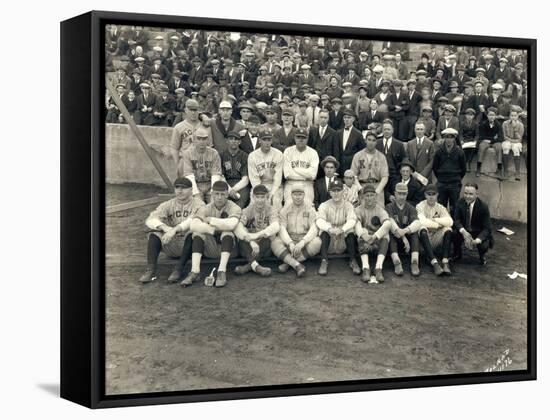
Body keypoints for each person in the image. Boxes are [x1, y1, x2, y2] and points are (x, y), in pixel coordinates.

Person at [139, 178, 205, 284]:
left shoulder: (199, 204)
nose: (179, 191)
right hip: (172, 243)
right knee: (154, 233)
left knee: (194, 233)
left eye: (183, 188)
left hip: (191, 246)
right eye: (177, 188)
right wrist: (165, 228)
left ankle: (178, 269)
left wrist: (174, 230)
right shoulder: (168, 204)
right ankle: (150, 269)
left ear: (191, 190)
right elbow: (150, 220)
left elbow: (192, 221)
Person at [183, 181, 241, 288]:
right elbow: (193, 225)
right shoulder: (206, 207)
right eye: (217, 194)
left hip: (231, 250)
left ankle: (221, 271)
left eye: (222, 194)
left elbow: (231, 224)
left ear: (227, 195)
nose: (219, 197)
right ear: (212, 194)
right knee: (198, 232)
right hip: (211, 248)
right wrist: (213, 230)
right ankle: (195, 271)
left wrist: (210, 220)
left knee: (227, 232)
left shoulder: (234, 207)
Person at [271, 185, 322, 277]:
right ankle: (297, 265)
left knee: (318, 242)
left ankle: (289, 263)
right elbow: (282, 228)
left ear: (304, 195)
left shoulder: (310, 208)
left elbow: (314, 228)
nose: (298, 197)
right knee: (274, 242)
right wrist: (290, 243)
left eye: (300, 194)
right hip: (290, 239)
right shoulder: (285, 209)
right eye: (295, 194)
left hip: (304, 240)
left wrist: (303, 242)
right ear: (291, 195)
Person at [316, 179, 360, 276]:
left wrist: (342, 229)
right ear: (330, 192)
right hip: (329, 241)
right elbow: (319, 220)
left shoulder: (348, 205)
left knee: (351, 230)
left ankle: (353, 260)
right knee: (323, 230)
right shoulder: (324, 205)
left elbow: (352, 220)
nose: (336, 193)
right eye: (333, 191)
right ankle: (324, 260)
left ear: (343, 191)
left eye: (338, 190)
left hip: (342, 240)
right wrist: (329, 229)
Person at [234, 185, 280, 277]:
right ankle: (257, 267)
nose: (260, 200)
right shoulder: (248, 210)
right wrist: (251, 241)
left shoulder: (271, 209)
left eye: (262, 197)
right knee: (242, 238)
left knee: (268, 238)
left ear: (267, 197)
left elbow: (276, 226)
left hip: (264, 248)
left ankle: (248, 266)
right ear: (253, 197)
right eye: (257, 197)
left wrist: (257, 236)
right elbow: (238, 227)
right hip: (249, 248)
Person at [354, 184, 392, 283]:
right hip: (364, 242)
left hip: (376, 242)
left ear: (375, 196)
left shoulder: (380, 209)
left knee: (386, 235)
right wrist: (364, 235)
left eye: (371, 195)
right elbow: (356, 224)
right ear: (363, 197)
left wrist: (375, 237)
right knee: (361, 232)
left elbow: (387, 223)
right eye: (367, 195)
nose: (369, 198)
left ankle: (378, 268)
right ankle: (365, 268)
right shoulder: (358, 209)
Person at [385, 182, 423, 277]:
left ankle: (414, 261)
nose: (402, 197)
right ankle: (396, 261)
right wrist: (402, 236)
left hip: (407, 241)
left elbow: (417, 223)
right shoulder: (389, 206)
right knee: (390, 233)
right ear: (395, 193)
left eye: (404, 194)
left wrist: (404, 231)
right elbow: (391, 222)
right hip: (396, 237)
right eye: (399, 194)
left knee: (414, 233)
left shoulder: (410, 207)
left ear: (407, 194)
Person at [452, 182, 494, 266]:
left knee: (483, 245)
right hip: (465, 230)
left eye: (471, 194)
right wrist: (464, 232)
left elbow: (487, 228)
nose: (467, 196)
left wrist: (476, 241)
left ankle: (482, 256)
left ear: (476, 194)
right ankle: (457, 254)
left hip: (478, 232)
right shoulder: (460, 202)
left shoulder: (483, 206)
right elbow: (456, 220)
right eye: (466, 193)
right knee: (453, 233)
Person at [416, 184, 453, 276]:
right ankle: (434, 262)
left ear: (437, 195)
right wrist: (438, 225)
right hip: (424, 240)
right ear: (425, 195)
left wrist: (435, 220)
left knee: (448, 229)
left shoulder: (440, 207)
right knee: (422, 228)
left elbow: (450, 221)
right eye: (429, 194)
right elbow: (422, 221)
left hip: (436, 238)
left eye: (433, 194)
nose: (431, 196)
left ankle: (445, 262)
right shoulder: (420, 206)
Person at [179, 127, 223, 203]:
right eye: (199, 139)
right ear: (194, 140)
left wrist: (213, 192)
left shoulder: (214, 153)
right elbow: (189, 175)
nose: (201, 141)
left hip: (210, 184)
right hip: (195, 184)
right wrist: (196, 194)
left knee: (215, 204)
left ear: (208, 140)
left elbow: (216, 175)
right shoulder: (188, 153)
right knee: (197, 206)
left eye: (204, 139)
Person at [171, 99, 212, 173]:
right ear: (185, 110)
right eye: (190, 110)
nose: (193, 113)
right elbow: (174, 148)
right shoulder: (179, 127)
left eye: (195, 110)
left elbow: (210, 146)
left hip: (202, 162)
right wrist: (177, 164)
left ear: (199, 111)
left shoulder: (206, 126)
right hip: (185, 162)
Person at [432, 128, 466, 216]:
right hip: (442, 183)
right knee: (440, 206)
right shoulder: (439, 152)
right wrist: (441, 178)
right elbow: (435, 167)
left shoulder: (459, 152)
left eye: (451, 138)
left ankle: (454, 226)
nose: (449, 140)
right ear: (444, 138)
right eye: (447, 137)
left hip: (454, 183)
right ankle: (441, 226)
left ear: (454, 139)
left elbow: (463, 169)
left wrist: (456, 178)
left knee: (454, 206)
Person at [247, 129, 284, 209]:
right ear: (259, 140)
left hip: (275, 186)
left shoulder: (278, 154)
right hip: (259, 185)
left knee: (275, 204)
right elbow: (254, 179)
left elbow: (278, 178)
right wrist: (261, 192)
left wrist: (272, 193)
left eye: (269, 140)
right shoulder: (252, 156)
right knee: (254, 205)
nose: (267, 143)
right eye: (264, 140)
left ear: (272, 141)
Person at [350, 131, 389, 206]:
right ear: (365, 140)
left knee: (378, 212)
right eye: (369, 140)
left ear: (376, 142)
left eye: (373, 140)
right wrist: (360, 188)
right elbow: (353, 175)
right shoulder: (358, 156)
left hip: (376, 187)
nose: (371, 142)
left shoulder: (381, 157)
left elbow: (385, 177)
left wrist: (377, 191)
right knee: (362, 212)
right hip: (363, 187)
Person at [283, 127, 319, 205]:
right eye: (298, 137)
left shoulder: (313, 153)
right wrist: (306, 174)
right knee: (288, 206)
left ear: (307, 139)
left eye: (303, 137)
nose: (301, 139)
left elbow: (312, 175)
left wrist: (295, 169)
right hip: (291, 184)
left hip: (307, 185)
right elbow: (287, 174)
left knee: (307, 206)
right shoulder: (288, 151)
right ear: (295, 138)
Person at [377, 119, 407, 202]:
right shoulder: (377, 143)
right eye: (385, 129)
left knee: (394, 200)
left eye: (388, 129)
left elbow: (403, 161)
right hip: (380, 177)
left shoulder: (399, 144)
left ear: (392, 130)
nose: (386, 131)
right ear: (382, 130)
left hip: (394, 178)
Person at [220, 131, 250, 208]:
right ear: (227, 141)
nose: (233, 141)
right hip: (225, 184)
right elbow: (221, 176)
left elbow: (245, 178)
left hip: (241, 184)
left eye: (236, 139)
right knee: (222, 204)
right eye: (231, 139)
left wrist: (234, 189)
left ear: (240, 142)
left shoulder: (245, 156)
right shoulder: (221, 155)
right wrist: (229, 190)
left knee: (239, 204)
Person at [334, 109, 365, 174]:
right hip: (340, 167)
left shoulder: (358, 134)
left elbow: (362, 152)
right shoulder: (338, 133)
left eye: (349, 117)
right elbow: (336, 151)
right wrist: (336, 167)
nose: (347, 120)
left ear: (353, 119)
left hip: (352, 166)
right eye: (345, 117)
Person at [308, 109, 337, 177]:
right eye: (321, 117)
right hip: (314, 164)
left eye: (325, 118)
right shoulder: (313, 131)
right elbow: (309, 147)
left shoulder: (333, 133)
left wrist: (335, 168)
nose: (323, 119)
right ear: (318, 118)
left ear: (328, 119)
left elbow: (336, 151)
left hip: (327, 165)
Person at [477, 107, 504, 178]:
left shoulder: (498, 125)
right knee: (482, 147)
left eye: (493, 115)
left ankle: (499, 168)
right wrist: (493, 138)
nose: (491, 117)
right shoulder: (483, 124)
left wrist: (491, 140)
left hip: (494, 142)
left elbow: (500, 138)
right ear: (487, 116)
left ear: (495, 116)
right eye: (490, 115)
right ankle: (478, 167)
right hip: (486, 141)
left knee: (499, 147)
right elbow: (482, 136)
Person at [502, 106, 525, 180]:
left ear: (518, 116)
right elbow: (504, 136)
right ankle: (505, 170)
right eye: (511, 115)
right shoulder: (505, 123)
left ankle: (517, 172)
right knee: (506, 147)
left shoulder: (521, 125)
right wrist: (510, 141)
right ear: (509, 116)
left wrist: (515, 129)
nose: (513, 117)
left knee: (516, 149)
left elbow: (519, 139)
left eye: (515, 116)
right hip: (507, 140)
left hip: (516, 142)